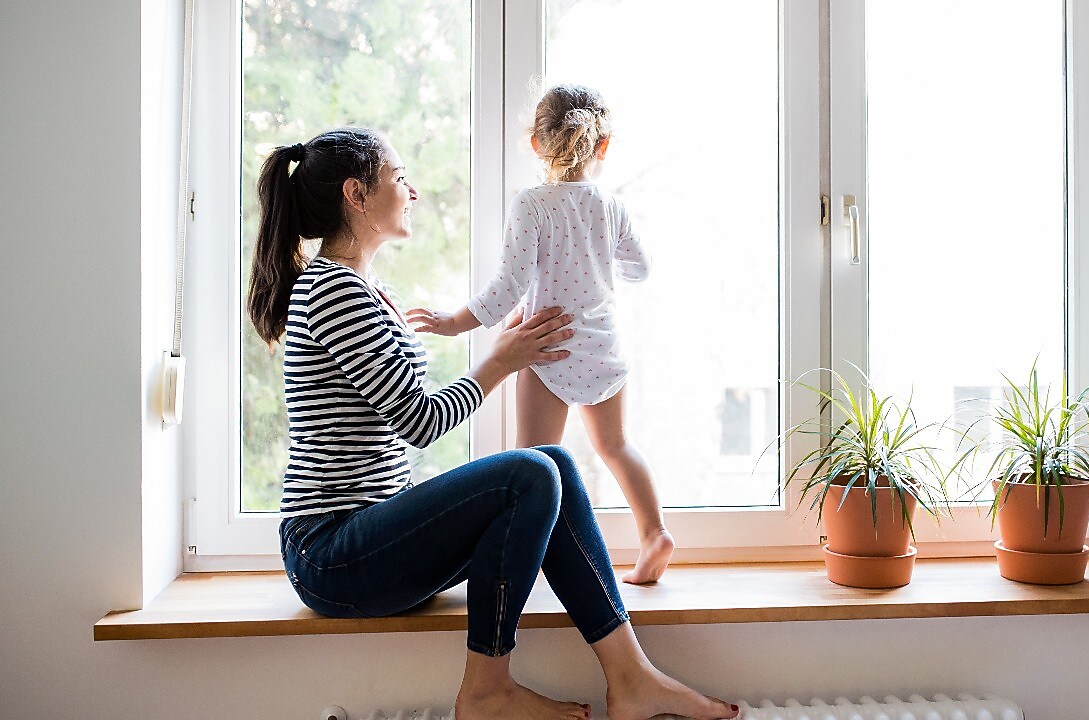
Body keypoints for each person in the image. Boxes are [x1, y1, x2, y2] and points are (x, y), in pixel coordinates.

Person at [246, 127, 738, 720]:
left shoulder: (361, 289)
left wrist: (503, 354)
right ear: (356, 194)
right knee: (529, 471)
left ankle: (630, 677)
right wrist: (501, 362)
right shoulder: (334, 292)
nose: (413, 191)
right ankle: (485, 691)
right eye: (400, 179)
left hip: (368, 541)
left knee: (552, 463)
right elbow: (419, 420)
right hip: (332, 554)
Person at [411, 84, 674, 584]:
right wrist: (599, 260)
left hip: (546, 347)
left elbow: (507, 287)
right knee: (617, 446)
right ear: (603, 147)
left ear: (536, 143)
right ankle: (654, 532)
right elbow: (640, 267)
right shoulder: (609, 206)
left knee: (532, 464)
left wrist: (452, 322)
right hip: (603, 348)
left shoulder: (531, 205)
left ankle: (531, 561)